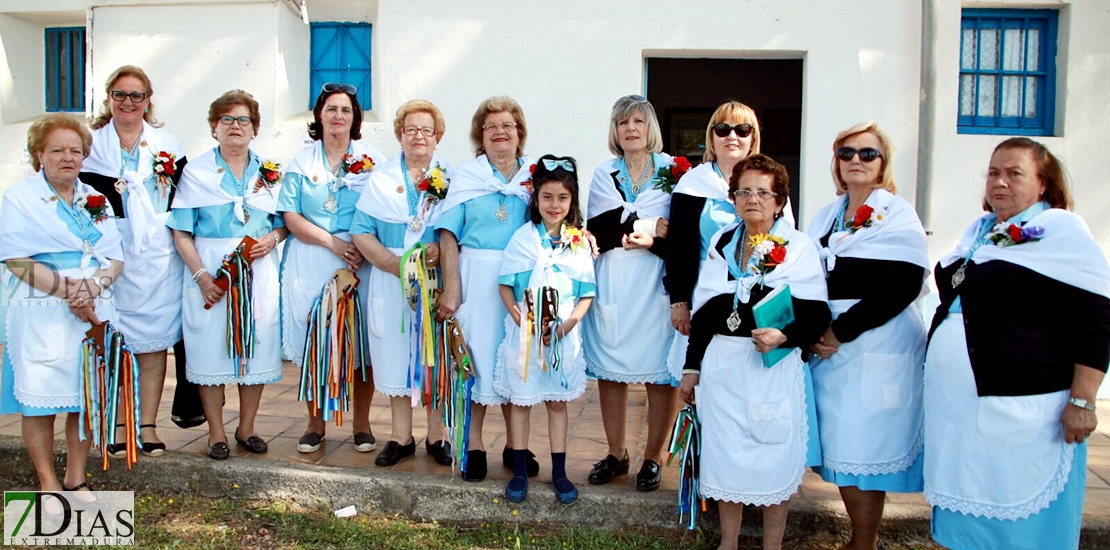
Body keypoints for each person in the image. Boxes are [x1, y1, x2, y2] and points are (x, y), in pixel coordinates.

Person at [924, 138, 1110, 550]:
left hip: (1024, 406)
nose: (1000, 182)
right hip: (963, 413)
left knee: (1019, 525)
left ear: (1043, 185)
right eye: (993, 173)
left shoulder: (1062, 232)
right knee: (968, 515)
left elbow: (1097, 319)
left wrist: (1083, 400)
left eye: (1014, 173)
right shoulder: (979, 233)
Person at [679, 154, 829, 550]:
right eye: (744, 191)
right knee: (725, 453)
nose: (753, 199)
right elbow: (706, 310)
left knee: (771, 453)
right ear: (733, 198)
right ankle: (728, 542)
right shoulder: (723, 241)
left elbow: (816, 315)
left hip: (770, 366)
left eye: (764, 192)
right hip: (723, 366)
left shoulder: (797, 247)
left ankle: (772, 545)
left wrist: (785, 336)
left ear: (780, 201)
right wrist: (692, 367)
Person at [805, 122, 930, 550]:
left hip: (875, 339)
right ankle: (863, 539)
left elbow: (903, 284)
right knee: (843, 446)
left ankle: (864, 541)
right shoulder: (826, 214)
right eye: (846, 153)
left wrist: (840, 330)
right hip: (830, 347)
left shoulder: (897, 212)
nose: (856, 160)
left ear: (882, 165)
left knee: (866, 446)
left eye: (867, 154)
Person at [0, 113, 124, 501]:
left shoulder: (97, 199)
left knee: (83, 396)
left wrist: (94, 285)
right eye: (57, 150)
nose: (68, 157)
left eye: (75, 150)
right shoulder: (18, 199)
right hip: (42, 307)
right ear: (40, 154)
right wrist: (69, 291)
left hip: (94, 305)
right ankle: (47, 481)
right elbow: (15, 258)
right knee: (41, 398)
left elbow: (115, 257)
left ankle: (75, 477)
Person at [168, 90, 287, 460]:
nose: (236, 127)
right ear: (214, 127)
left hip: (258, 267)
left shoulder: (268, 171)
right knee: (209, 348)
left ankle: (247, 427)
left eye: (244, 120)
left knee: (257, 344)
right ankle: (216, 432)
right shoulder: (197, 171)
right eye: (227, 120)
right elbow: (181, 230)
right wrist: (202, 275)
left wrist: (271, 238)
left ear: (255, 128)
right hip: (211, 267)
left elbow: (283, 222)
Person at [79, 65, 189, 457]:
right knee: (111, 338)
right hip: (106, 252)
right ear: (109, 99)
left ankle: (147, 425)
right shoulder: (90, 145)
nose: (128, 103)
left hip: (156, 256)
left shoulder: (168, 146)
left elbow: (182, 203)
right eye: (120, 95)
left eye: (136, 95)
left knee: (153, 344)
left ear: (148, 100)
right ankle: (118, 421)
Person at [279, 83, 386, 454]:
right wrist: (332, 242)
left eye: (345, 110)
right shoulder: (301, 161)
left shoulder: (373, 159)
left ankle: (362, 423)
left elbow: (386, 208)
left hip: (361, 258)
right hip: (315, 255)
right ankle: (315, 423)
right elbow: (290, 215)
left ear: (355, 117)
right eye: (331, 109)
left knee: (361, 341)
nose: (338, 116)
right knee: (317, 339)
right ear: (319, 116)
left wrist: (359, 243)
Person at [435, 96, 538, 480]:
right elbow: (448, 235)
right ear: (481, 135)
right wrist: (452, 288)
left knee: (516, 358)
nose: (500, 132)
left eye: (507, 125)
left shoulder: (534, 175)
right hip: (476, 275)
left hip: (522, 276)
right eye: (491, 126)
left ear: (519, 133)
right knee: (474, 360)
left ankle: (517, 445)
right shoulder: (467, 175)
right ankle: (473, 445)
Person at [581, 95, 677, 491]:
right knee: (611, 369)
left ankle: (652, 457)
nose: (631, 128)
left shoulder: (674, 170)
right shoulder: (605, 173)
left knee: (660, 372)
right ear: (615, 131)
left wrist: (653, 236)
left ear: (650, 127)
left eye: (639, 121)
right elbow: (599, 227)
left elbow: (681, 232)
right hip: (614, 280)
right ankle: (616, 452)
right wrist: (652, 222)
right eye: (623, 123)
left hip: (655, 279)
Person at [351, 99, 452, 468]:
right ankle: (400, 436)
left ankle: (437, 436)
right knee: (394, 353)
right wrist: (395, 264)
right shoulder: (380, 180)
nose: (419, 136)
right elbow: (361, 231)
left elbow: (460, 229)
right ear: (400, 135)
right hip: (391, 279)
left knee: (435, 353)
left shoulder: (451, 178)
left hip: (436, 280)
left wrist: (441, 249)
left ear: (437, 136)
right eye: (411, 129)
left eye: (427, 130)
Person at [495, 155, 595, 505]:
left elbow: (586, 294)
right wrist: (519, 316)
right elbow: (506, 285)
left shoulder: (577, 243)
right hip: (525, 336)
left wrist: (568, 325)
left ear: (572, 201)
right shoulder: (523, 239)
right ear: (536, 199)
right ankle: (520, 471)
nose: (555, 205)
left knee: (556, 402)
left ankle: (560, 471)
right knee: (522, 402)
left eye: (563, 198)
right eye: (548, 197)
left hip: (562, 337)